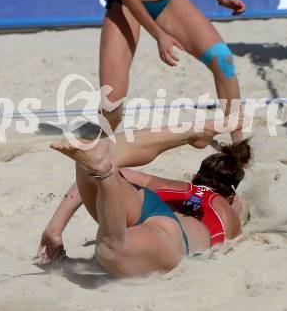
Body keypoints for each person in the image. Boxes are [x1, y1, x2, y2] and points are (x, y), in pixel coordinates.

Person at [37, 119, 250, 277]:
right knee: (110, 250)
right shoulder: (226, 210)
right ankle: (104, 172)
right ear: (231, 194)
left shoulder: (175, 186)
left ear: (196, 177)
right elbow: (237, 224)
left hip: (151, 204)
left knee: (98, 167)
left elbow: (87, 186)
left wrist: (55, 228)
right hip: (173, 236)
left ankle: (188, 132)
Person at [100, 0, 246, 142]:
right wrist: (160, 34)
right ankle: (99, 143)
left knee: (223, 59)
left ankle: (238, 144)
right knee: (112, 99)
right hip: (126, 4)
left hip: (167, 0)